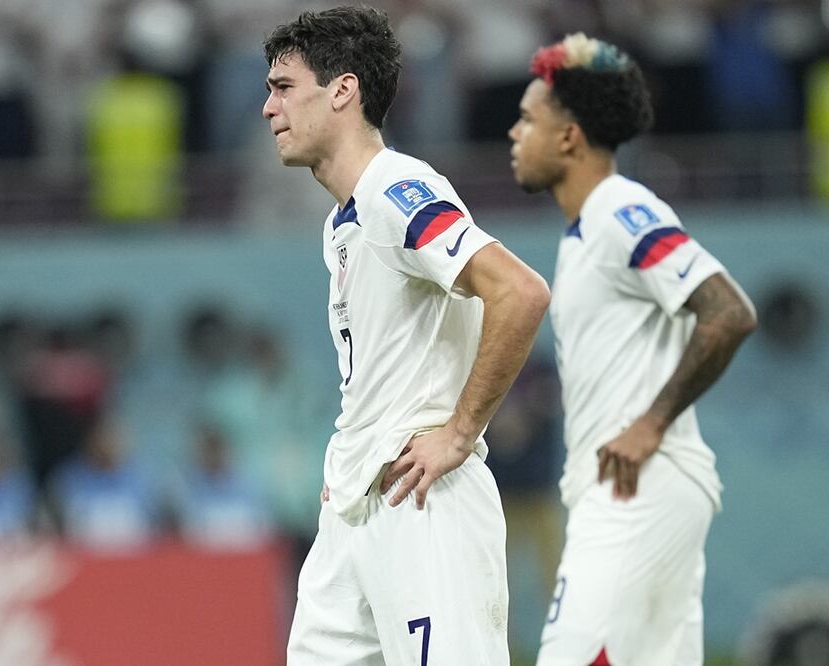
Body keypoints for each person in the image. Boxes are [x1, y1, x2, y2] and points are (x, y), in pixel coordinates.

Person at [262, 7, 551, 665]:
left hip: (423, 500)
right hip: (358, 502)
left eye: (283, 86)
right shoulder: (346, 217)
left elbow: (519, 291)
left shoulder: (398, 189)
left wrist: (457, 433)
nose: (267, 108)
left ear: (342, 90)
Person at [507, 34, 758, 666]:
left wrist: (650, 423)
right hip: (630, 490)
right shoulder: (584, 232)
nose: (514, 134)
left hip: (636, 488)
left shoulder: (621, 210)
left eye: (529, 119)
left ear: (569, 137)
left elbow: (729, 312)